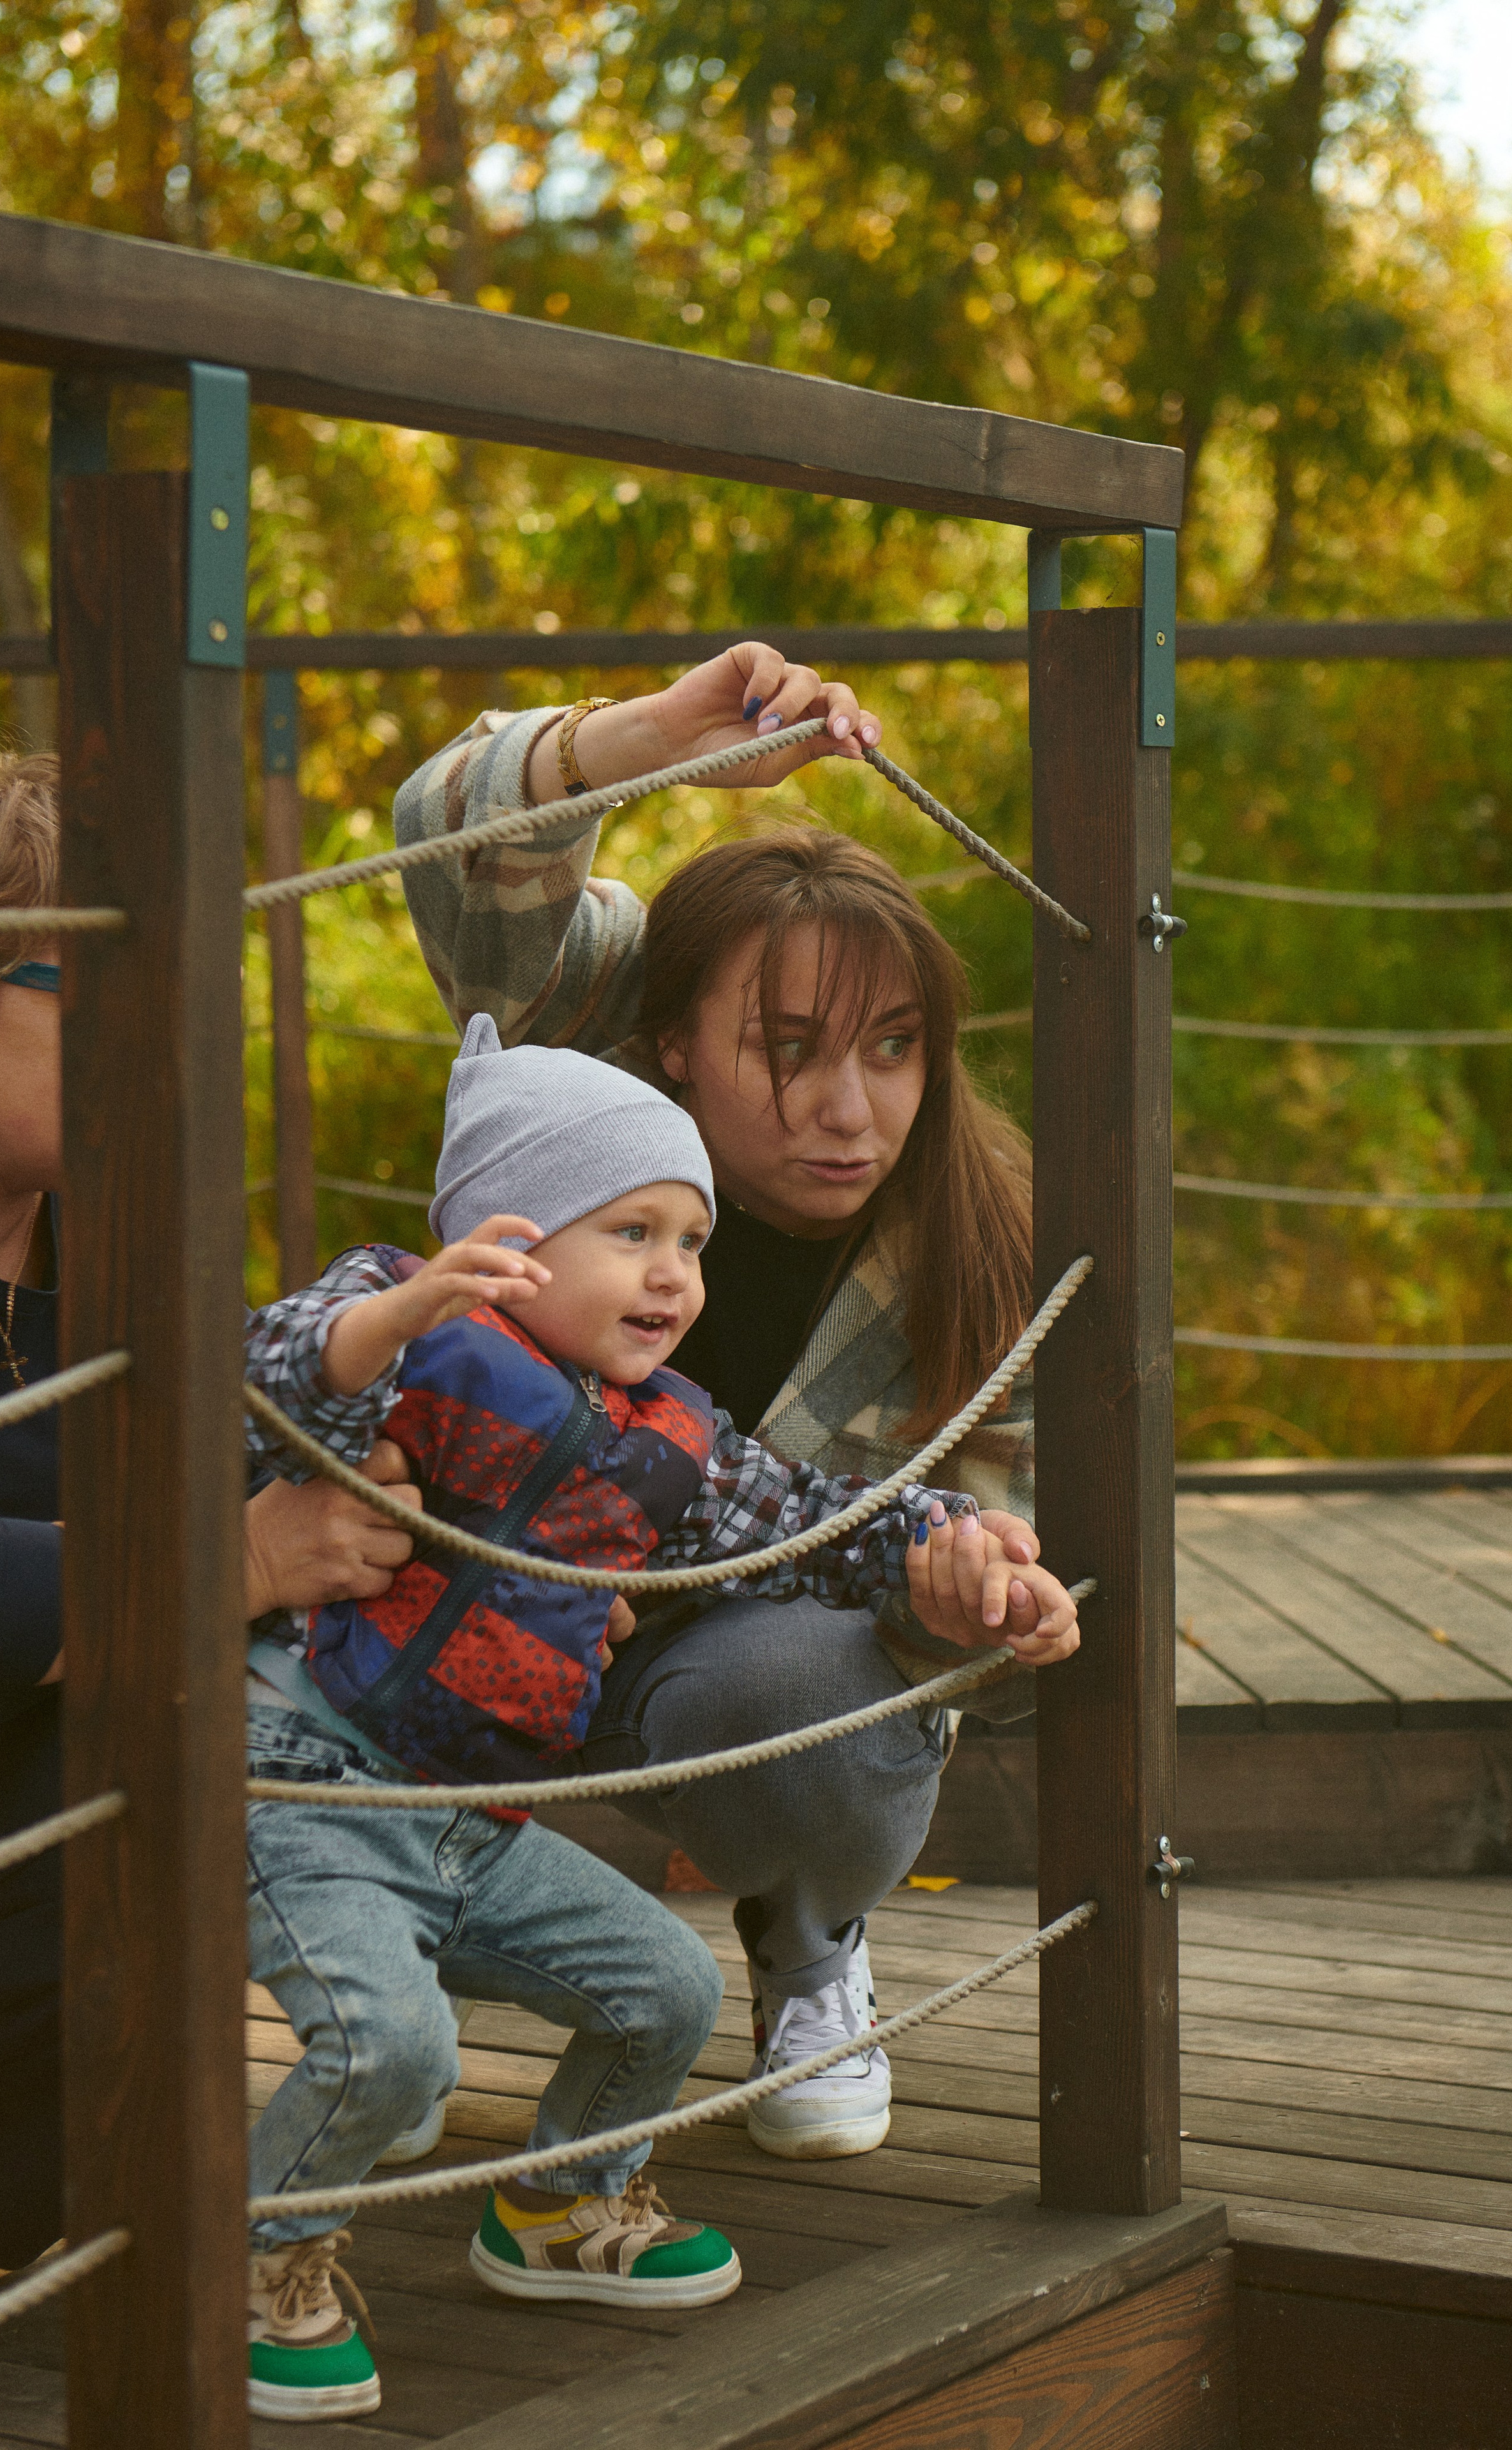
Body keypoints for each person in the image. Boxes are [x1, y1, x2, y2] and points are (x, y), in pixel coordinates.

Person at [238, 1017, 1079, 2423]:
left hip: (469, 1820)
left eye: (688, 1240)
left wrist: (963, 1541)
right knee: (397, 2049)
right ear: (510, 1238)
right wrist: (398, 1317)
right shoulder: (408, 1326)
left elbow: (814, 1521)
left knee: (666, 1994)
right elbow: (273, 1383)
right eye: (631, 1230)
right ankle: (261, 2259)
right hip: (312, 1780)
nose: (673, 1274)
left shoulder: (664, 1431)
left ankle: (558, 2206)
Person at [391, 646, 1069, 2158]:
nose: (850, 1109)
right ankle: (381, 1973)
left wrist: (963, 1595)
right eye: (788, 1049)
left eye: (894, 1051)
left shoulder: (987, 1241)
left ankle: (810, 1936)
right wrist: (652, 739)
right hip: (462, 1619)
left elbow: (1018, 1613)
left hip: (727, 1662)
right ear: (673, 1044)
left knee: (825, 1695)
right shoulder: (583, 1060)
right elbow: (445, 835)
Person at [0, 752, 425, 2285]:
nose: (153, 1045)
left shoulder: (99, 1227)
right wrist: (246, 1562)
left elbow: (239, 1444)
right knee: (210, 1702)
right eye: (91, 987)